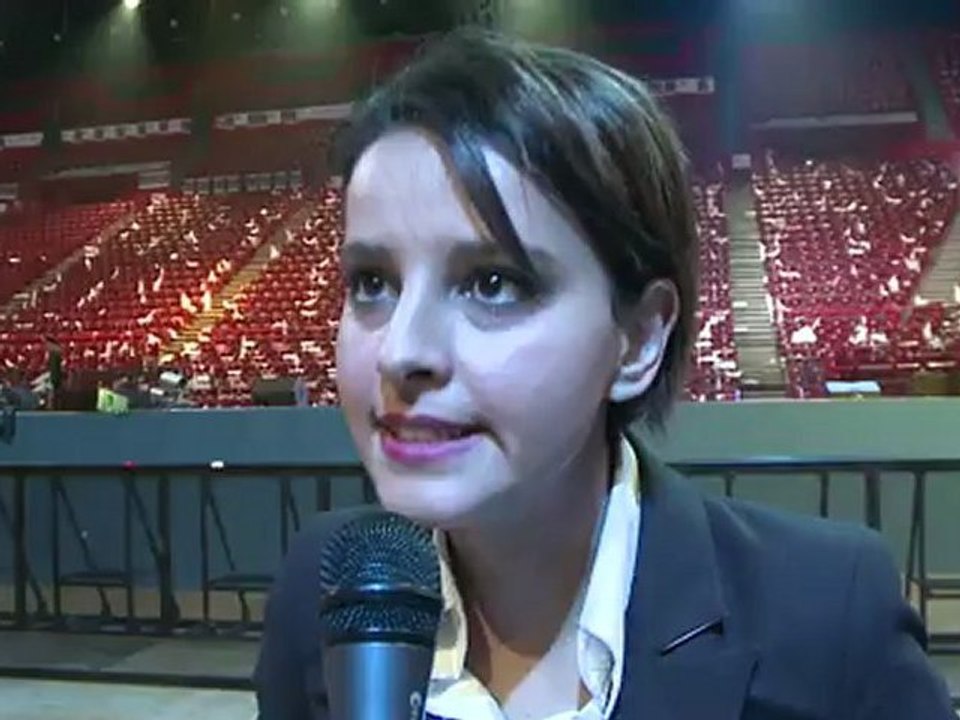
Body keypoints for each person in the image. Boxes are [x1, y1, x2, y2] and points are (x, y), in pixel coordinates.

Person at [254, 30, 955, 719]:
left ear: (639, 338)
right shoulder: (324, 585)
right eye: (372, 283)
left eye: (494, 283)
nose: (400, 352)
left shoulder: (832, 618)